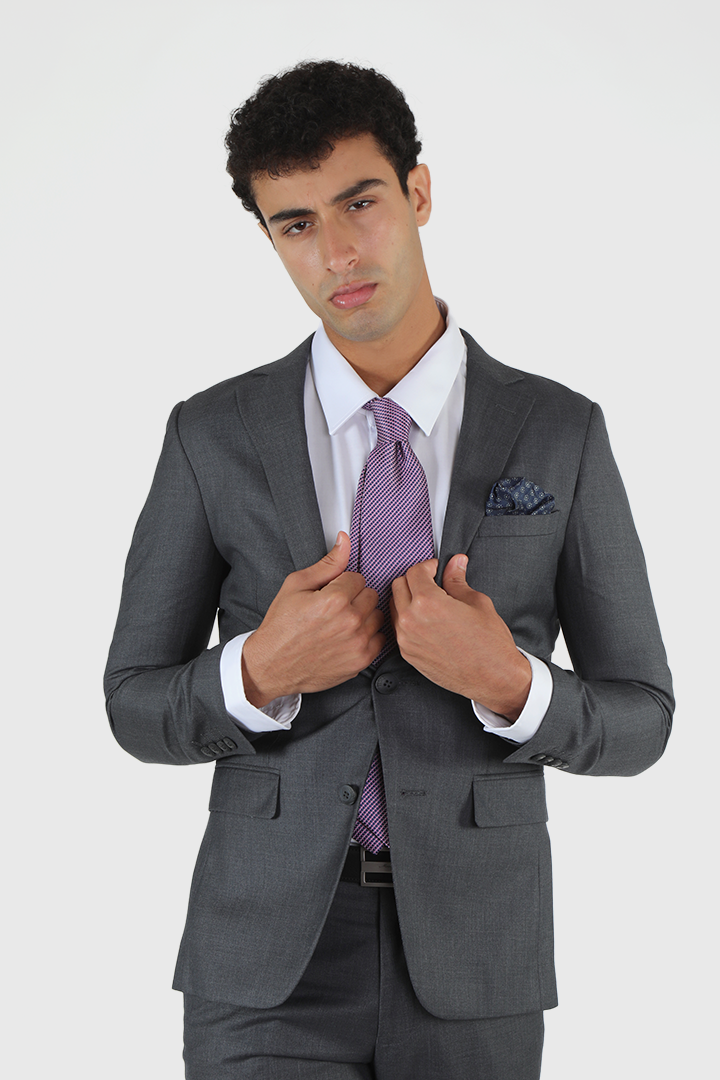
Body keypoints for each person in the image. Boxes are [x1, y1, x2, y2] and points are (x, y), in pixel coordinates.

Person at [104, 60, 673, 1079]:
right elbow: (133, 703)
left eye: (359, 203)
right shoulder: (211, 434)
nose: (336, 252)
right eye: (296, 224)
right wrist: (258, 671)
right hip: (262, 963)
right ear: (270, 238)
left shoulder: (560, 430)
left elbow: (644, 717)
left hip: (478, 957)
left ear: (418, 192)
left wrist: (510, 682)